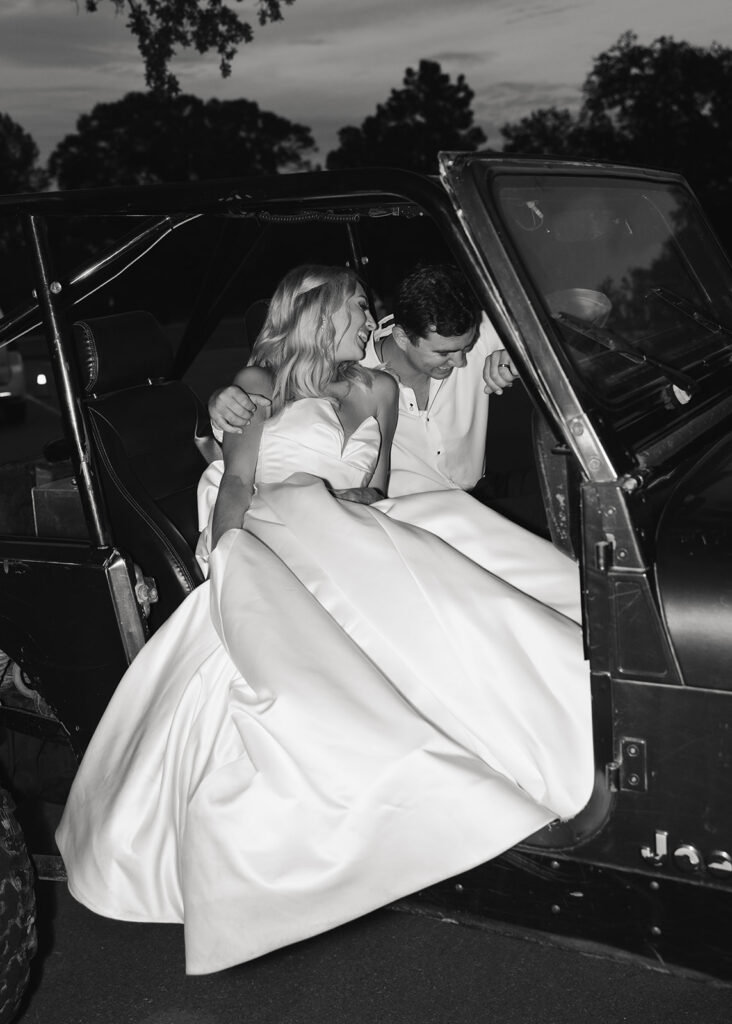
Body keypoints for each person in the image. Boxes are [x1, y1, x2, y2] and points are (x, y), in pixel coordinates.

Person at [56, 264, 593, 976]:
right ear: (318, 315)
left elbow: (375, 486)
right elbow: (240, 484)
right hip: (282, 521)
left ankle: (565, 705)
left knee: (467, 566)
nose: (368, 320)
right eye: (358, 308)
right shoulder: (257, 390)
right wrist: (227, 560)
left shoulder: (376, 386)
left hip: (358, 522)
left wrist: (368, 504)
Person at [208, 264, 519, 497]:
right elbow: (252, 437)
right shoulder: (356, 371)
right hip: (404, 516)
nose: (460, 361)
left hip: (475, 501)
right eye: (444, 353)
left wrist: (519, 358)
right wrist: (219, 401)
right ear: (401, 337)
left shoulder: (471, 336)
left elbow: (560, 319)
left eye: (465, 349)